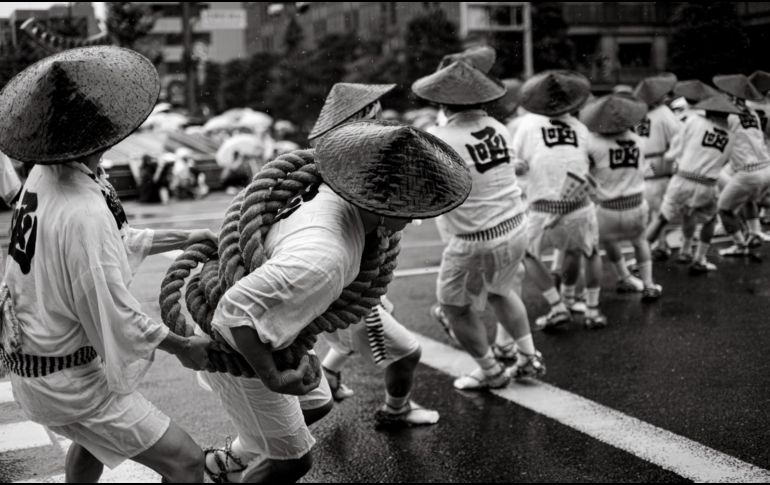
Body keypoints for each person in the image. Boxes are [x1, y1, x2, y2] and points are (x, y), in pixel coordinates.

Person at [200, 120, 472, 482]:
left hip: (266, 318)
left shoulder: (330, 188)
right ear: (384, 205)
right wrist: (274, 377)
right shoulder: (327, 258)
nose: (414, 219)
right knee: (293, 462)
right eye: (412, 209)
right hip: (232, 339)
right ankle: (222, 469)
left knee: (317, 401)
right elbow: (234, 313)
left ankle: (227, 462)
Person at [0, 46, 217, 483]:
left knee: (91, 442)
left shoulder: (44, 174)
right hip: (68, 381)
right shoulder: (83, 210)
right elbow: (115, 312)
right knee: (188, 463)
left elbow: (111, 246)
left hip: (34, 361)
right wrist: (182, 346)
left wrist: (186, 237)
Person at [300, 81, 440, 428]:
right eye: (375, 112)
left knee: (344, 337)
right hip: (349, 290)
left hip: (338, 285)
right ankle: (396, 411)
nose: (382, 117)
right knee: (407, 354)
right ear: (362, 118)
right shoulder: (357, 169)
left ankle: (329, 375)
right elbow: (391, 222)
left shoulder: (334, 162)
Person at [411, 60, 545, 390]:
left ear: (442, 103)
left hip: (475, 237)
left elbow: (425, 188)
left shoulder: (439, 139)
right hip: (514, 226)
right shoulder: (498, 128)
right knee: (502, 291)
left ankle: (490, 370)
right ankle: (529, 357)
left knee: (453, 309)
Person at [512, 70, 608, 330]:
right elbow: (591, 163)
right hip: (578, 204)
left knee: (528, 255)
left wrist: (520, 167)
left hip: (543, 205)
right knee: (584, 250)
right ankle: (591, 308)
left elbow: (516, 162)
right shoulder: (580, 128)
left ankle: (557, 306)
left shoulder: (528, 125)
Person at [647, 95, 739, 274]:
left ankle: (640, 260)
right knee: (709, 219)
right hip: (707, 184)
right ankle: (699, 258)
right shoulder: (731, 136)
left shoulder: (695, 121)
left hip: (683, 178)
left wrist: (669, 157)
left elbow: (675, 149)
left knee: (661, 219)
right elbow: (723, 161)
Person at [582, 94, 662, 301]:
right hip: (636, 204)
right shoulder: (638, 141)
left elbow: (585, 174)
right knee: (640, 242)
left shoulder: (592, 143)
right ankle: (649, 284)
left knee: (595, 248)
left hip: (607, 208)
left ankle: (591, 292)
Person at [709, 74, 770, 257]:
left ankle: (740, 245)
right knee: (749, 199)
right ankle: (754, 232)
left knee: (724, 209)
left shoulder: (729, 115)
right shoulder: (752, 113)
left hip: (749, 171)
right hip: (766, 167)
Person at [632, 73, 682, 261]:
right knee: (661, 210)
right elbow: (677, 138)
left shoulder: (638, 115)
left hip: (643, 165)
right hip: (661, 163)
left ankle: (660, 244)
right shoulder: (663, 113)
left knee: (653, 209)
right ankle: (658, 246)